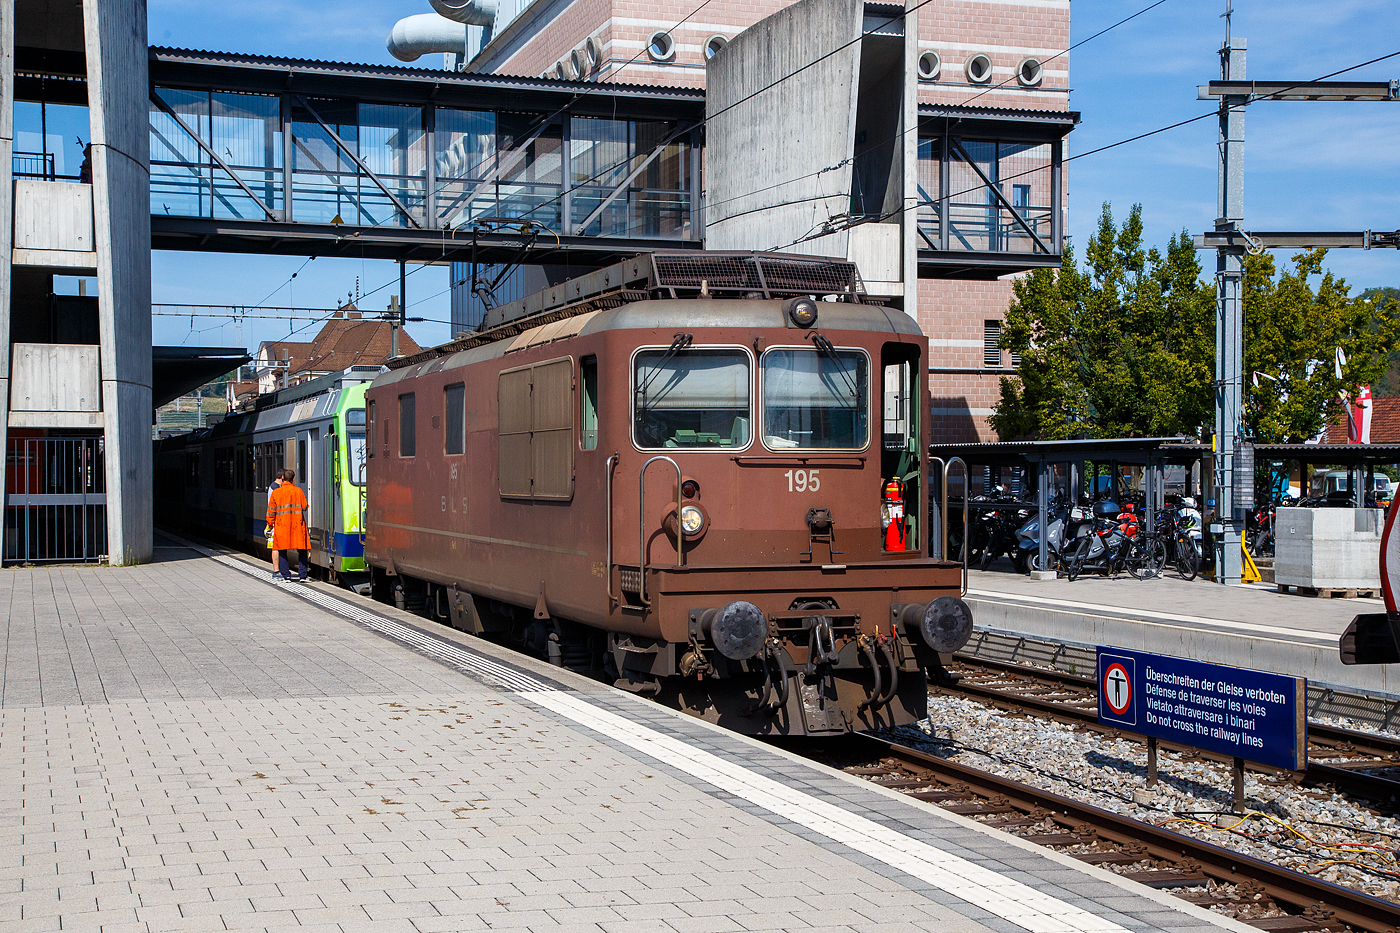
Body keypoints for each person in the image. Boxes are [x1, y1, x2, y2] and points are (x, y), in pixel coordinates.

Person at [267, 468, 310, 581]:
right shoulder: (298, 491)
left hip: (282, 526)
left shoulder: (276, 493)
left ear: (282, 478)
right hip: (297, 525)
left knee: (282, 549)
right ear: (293, 479)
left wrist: (270, 524)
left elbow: (270, 512)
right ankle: (303, 575)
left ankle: (286, 575)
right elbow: (304, 507)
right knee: (302, 550)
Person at [267, 469, 286, 576]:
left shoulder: (273, 487)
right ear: (282, 477)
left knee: (276, 546)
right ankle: (276, 570)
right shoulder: (275, 488)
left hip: (275, 520)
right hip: (276, 521)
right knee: (276, 546)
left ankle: (278, 570)